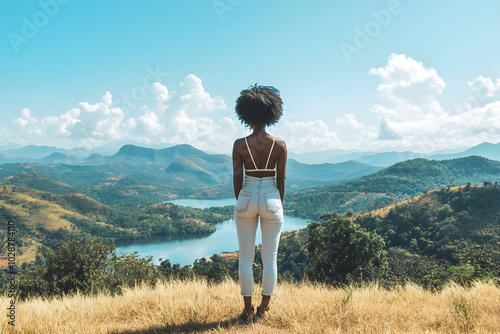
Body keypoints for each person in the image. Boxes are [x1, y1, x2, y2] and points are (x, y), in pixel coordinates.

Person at [232, 84, 287, 322]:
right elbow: (281, 178)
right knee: (270, 257)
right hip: (271, 195)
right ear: (271, 113)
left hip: (246, 192)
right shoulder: (279, 144)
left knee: (245, 257)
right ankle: (263, 308)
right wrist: (276, 202)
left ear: (246, 114)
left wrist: (243, 200)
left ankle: (246, 309)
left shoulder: (239, 144)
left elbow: (236, 177)